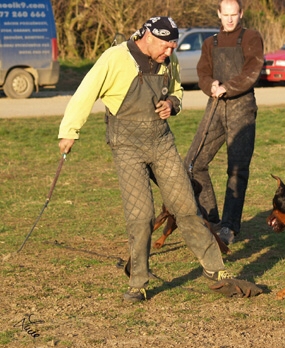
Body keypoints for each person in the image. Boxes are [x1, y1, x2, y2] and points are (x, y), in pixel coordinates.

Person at [58, 16, 233, 303]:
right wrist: (69, 131)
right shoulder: (115, 58)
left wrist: (172, 105)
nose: (170, 52)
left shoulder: (168, 60)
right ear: (149, 37)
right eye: (166, 46)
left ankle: (215, 269)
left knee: (186, 206)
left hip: (162, 141)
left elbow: (177, 91)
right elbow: (85, 92)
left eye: (173, 46)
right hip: (126, 145)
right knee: (141, 216)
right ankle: (138, 282)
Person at [184, 0, 264, 246]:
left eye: (234, 14)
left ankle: (229, 226)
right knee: (193, 163)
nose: (229, 19)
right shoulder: (210, 43)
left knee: (237, 170)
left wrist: (227, 87)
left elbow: (252, 70)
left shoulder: (251, 38)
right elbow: (203, 73)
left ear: (241, 14)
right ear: (218, 14)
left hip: (242, 108)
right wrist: (210, 86)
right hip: (215, 107)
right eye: (225, 14)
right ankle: (210, 220)